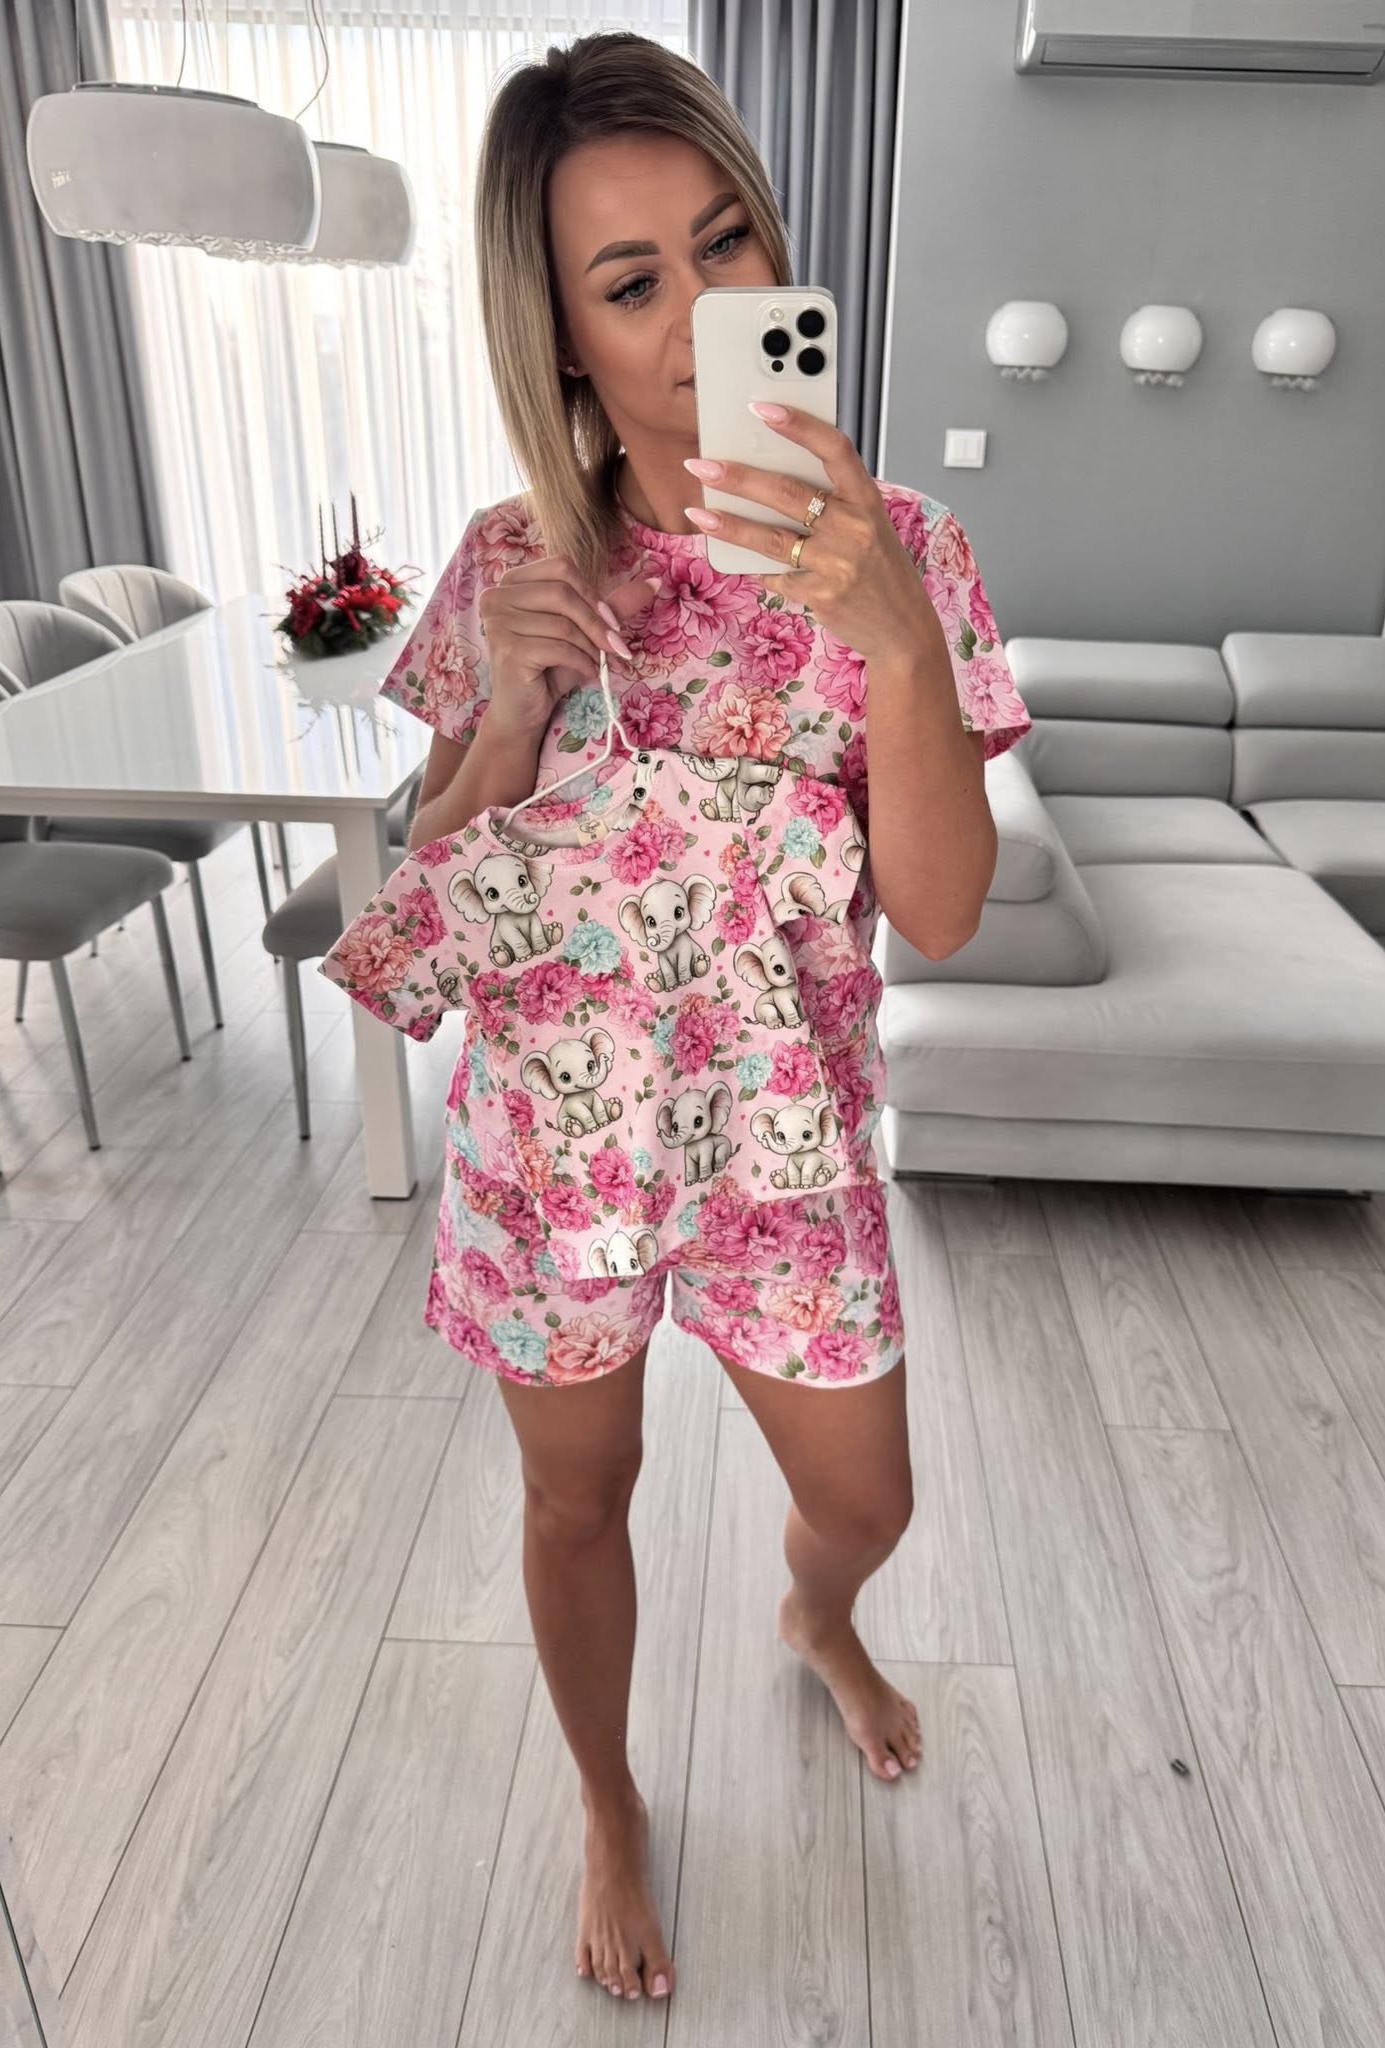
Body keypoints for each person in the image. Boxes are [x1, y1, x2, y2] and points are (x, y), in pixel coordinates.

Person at [378, 29, 1031, 2010]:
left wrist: (894, 646)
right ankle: (606, 1799)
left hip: (786, 1148)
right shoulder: (509, 563)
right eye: (631, 281)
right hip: (555, 1146)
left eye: (725, 243)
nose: (697, 311)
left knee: (866, 1498)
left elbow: (946, 908)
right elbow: (428, 907)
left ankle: (817, 1618)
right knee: (576, 1497)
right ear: (564, 338)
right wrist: (506, 722)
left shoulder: (910, 552)